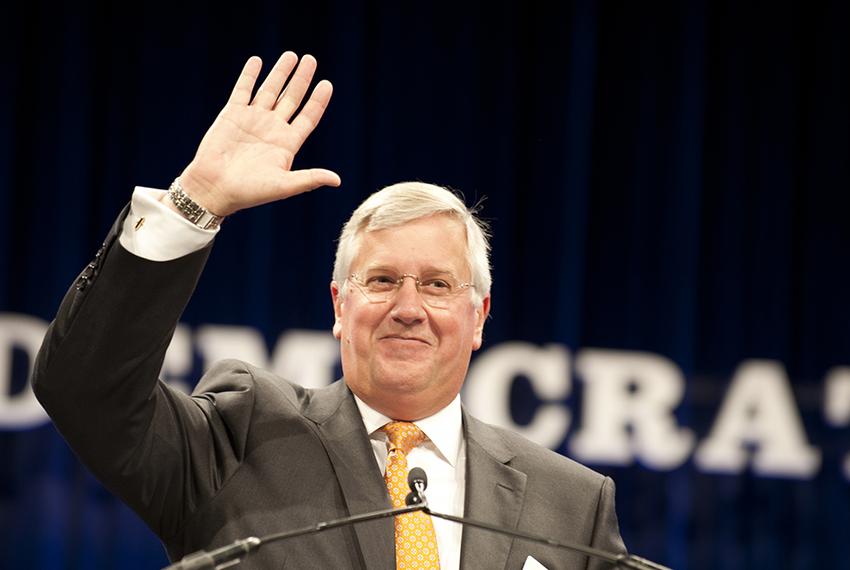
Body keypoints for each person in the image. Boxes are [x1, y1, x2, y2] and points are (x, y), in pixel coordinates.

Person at [34, 52, 626, 569]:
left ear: (479, 316)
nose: (408, 307)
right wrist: (198, 200)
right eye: (382, 280)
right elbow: (85, 388)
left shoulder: (571, 503)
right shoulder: (243, 435)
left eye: (438, 285)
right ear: (340, 305)